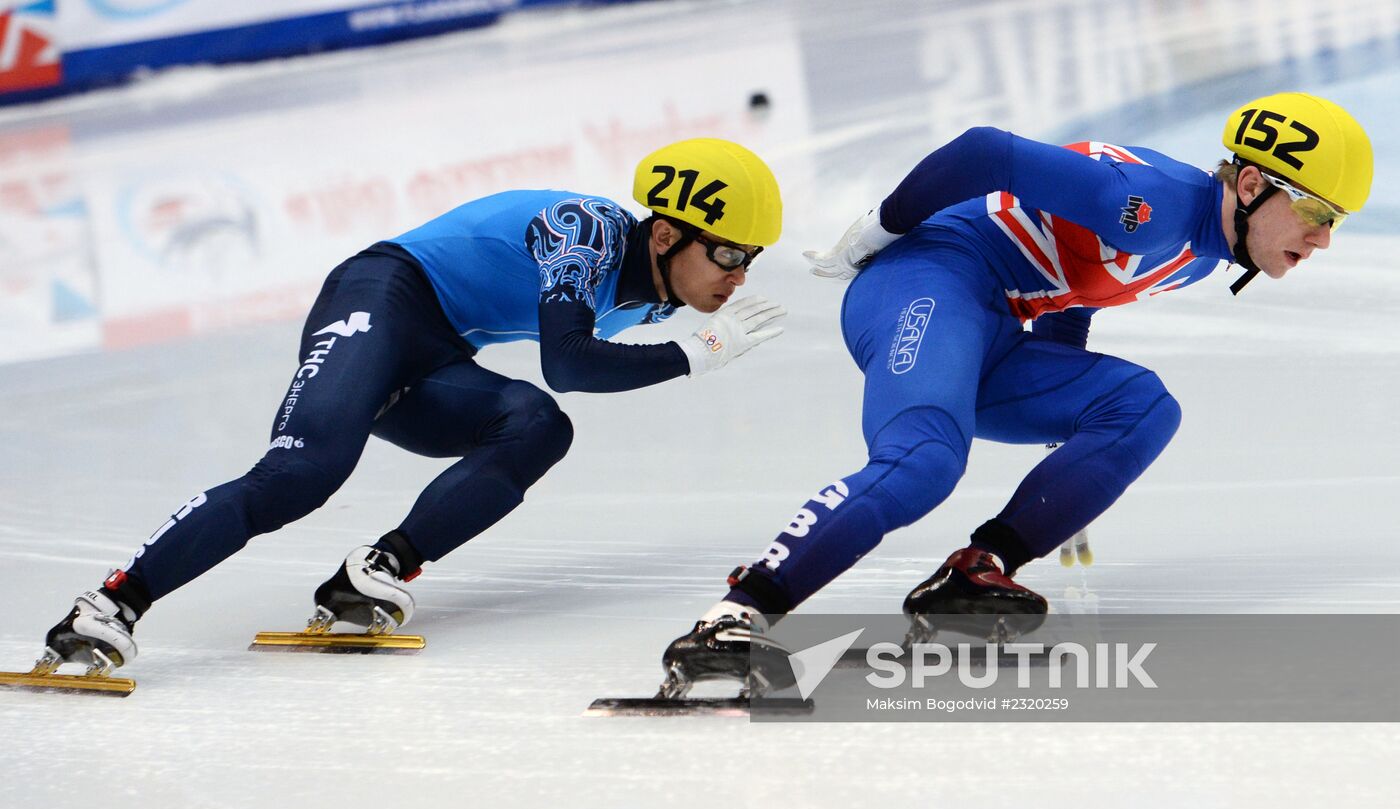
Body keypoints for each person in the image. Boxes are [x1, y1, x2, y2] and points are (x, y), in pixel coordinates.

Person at [659, 92, 1372, 694]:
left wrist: (1073, 450)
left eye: (1335, 222)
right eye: (1317, 214)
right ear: (1251, 186)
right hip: (926, 281)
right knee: (927, 460)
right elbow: (985, 152)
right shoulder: (1150, 205)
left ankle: (975, 573)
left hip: (994, 326)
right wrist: (881, 227)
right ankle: (740, 613)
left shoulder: (1203, 249)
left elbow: (1081, 285)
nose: (1324, 239)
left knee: (1141, 407)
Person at [36, 138, 786, 677]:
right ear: (664, 231)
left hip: (433, 350)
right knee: (300, 476)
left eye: (749, 259)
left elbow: (568, 379)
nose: (738, 276)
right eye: (726, 253)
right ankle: (109, 604)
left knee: (535, 428)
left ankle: (375, 572)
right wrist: (699, 355)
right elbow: (568, 363)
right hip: (379, 297)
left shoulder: (655, 303)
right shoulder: (584, 231)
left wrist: (689, 347)